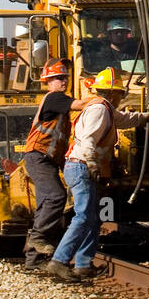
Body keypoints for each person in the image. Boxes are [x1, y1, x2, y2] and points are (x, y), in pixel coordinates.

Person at [45, 68, 149, 283]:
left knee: (93, 218)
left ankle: (83, 265)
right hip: (80, 166)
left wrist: (148, 117)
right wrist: (92, 164)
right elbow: (88, 139)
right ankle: (59, 261)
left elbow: (125, 120)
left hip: (80, 166)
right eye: (119, 93)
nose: (121, 97)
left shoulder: (105, 108)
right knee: (84, 217)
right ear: (112, 93)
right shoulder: (99, 109)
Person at [23, 59, 88, 270]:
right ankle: (38, 237)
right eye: (58, 78)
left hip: (46, 159)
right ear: (48, 82)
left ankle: (33, 261)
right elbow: (79, 104)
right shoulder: (54, 98)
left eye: (65, 78)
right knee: (56, 196)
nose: (63, 81)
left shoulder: (58, 105)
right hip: (38, 156)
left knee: (44, 205)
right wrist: (100, 100)